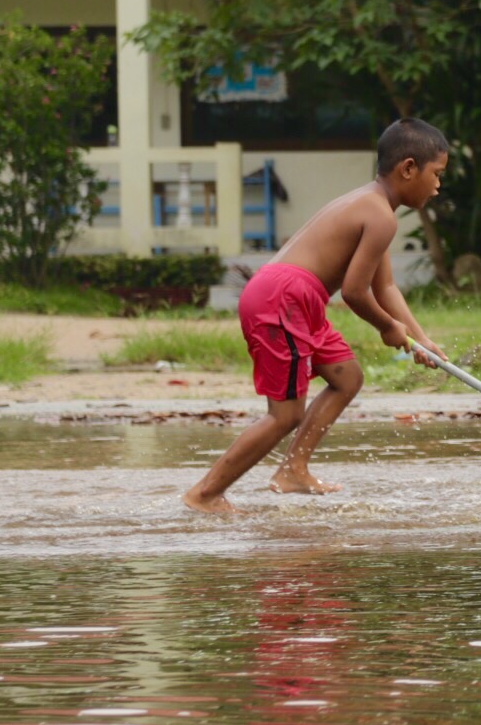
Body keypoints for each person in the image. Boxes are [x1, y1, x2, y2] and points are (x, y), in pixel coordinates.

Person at [183, 118, 449, 515]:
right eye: (437, 174)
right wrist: (388, 328)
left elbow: (385, 287)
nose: (438, 185)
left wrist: (420, 338)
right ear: (408, 168)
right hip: (283, 298)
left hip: (295, 299)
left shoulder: (375, 207)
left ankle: (294, 470)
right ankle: (205, 494)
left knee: (347, 377)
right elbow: (356, 293)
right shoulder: (379, 215)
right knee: (285, 413)